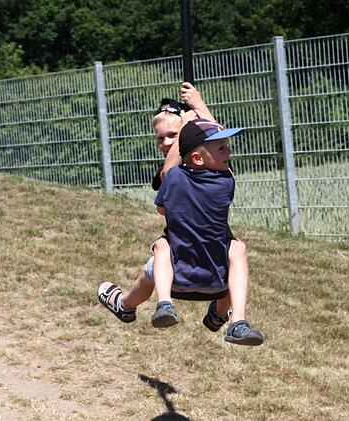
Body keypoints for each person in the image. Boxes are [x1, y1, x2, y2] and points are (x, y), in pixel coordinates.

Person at [98, 83, 261, 345]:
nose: (166, 144)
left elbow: (173, 178)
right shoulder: (225, 181)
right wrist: (198, 108)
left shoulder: (173, 177)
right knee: (236, 252)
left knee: (160, 251)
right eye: (160, 138)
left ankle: (145, 304)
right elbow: (213, 146)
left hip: (178, 275)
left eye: (173, 136)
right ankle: (230, 318)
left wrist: (189, 122)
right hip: (216, 279)